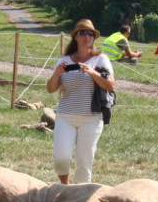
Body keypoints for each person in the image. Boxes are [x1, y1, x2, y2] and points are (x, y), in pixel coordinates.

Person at [46, 19, 115, 184]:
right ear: (75, 37)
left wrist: (92, 72)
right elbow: (50, 88)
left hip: (91, 118)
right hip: (66, 116)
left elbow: (110, 85)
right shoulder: (64, 60)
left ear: (94, 38)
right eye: (82, 33)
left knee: (84, 163)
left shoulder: (101, 59)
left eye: (90, 33)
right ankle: (65, 186)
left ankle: (80, 195)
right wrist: (57, 74)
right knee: (61, 158)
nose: (87, 37)